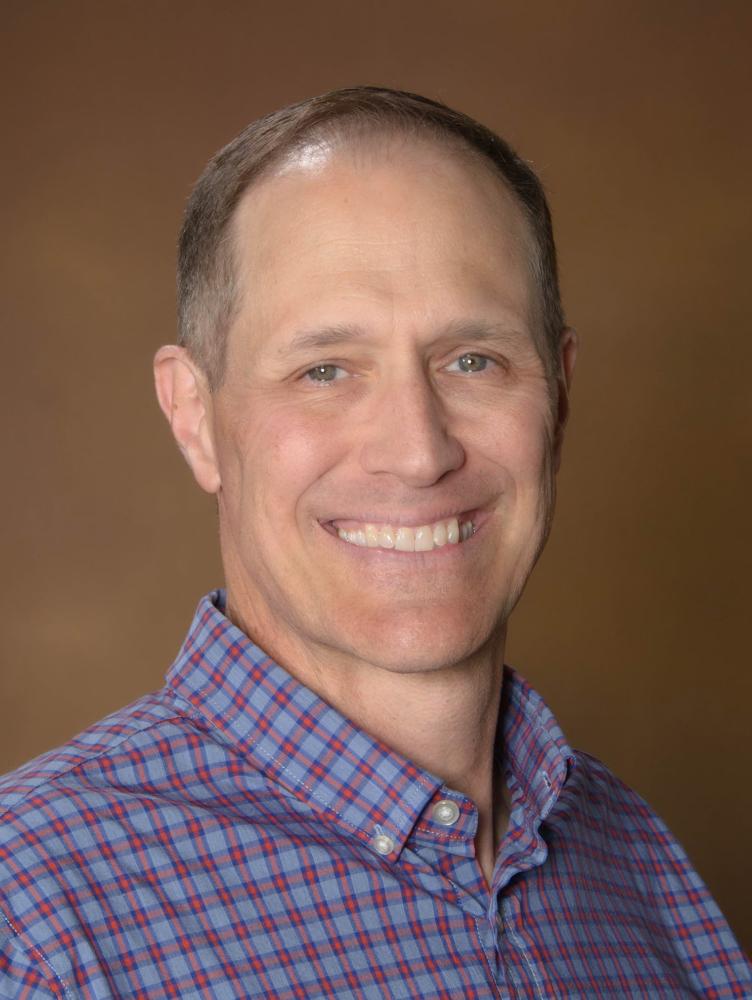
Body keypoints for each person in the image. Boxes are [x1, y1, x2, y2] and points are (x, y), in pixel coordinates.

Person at [0, 87, 748, 999]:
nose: (419, 450)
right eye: (325, 370)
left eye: (473, 360)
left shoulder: (635, 866)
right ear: (194, 417)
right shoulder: (31, 919)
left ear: (558, 398)